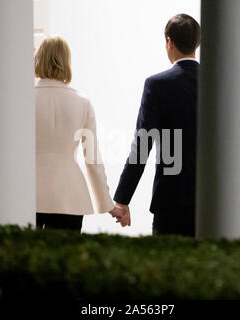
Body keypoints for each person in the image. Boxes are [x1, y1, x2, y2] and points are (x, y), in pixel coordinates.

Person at [112, 14, 200, 236]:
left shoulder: (157, 85)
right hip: (212, 202)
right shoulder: (217, 83)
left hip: (171, 201)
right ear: (196, 44)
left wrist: (122, 199)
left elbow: (142, 146)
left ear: (169, 42)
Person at [34, 36, 123, 231]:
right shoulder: (82, 102)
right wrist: (108, 205)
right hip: (70, 196)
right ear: (66, 62)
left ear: (38, 59)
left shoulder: (22, 99)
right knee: (64, 260)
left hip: (28, 192)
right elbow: (92, 160)